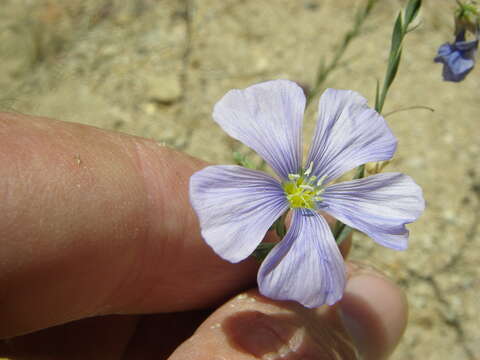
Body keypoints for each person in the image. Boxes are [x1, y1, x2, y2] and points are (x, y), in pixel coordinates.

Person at [0, 111, 407, 359]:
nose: (302, 191)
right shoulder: (287, 192)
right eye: (299, 188)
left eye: (303, 190)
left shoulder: (308, 201)